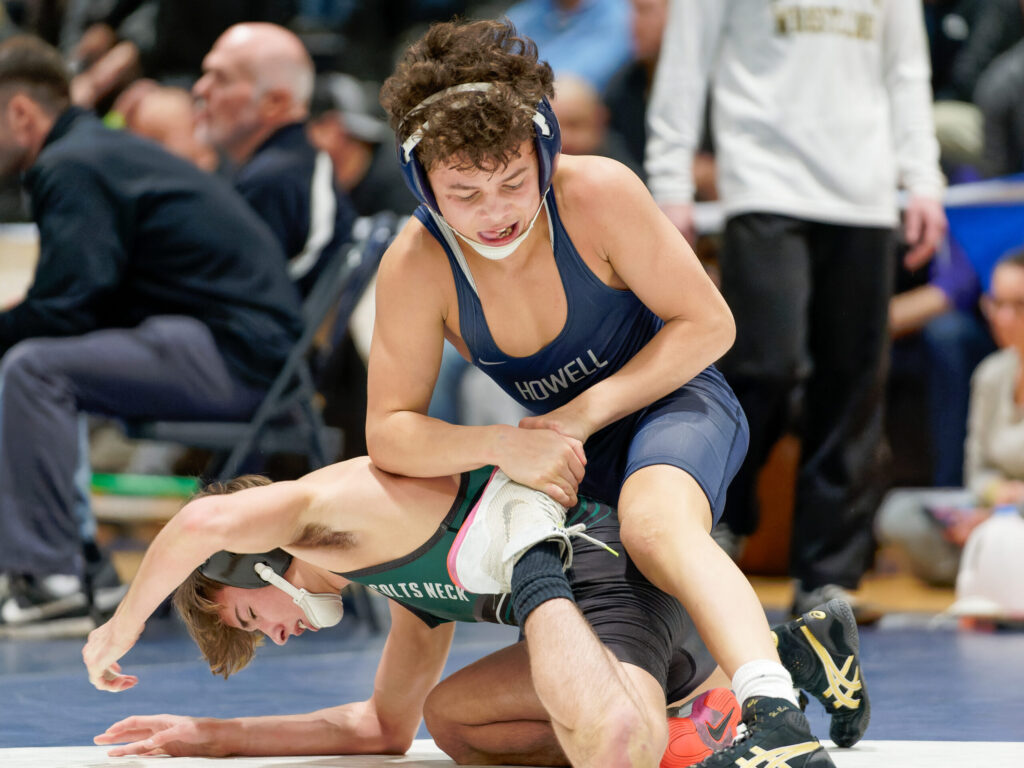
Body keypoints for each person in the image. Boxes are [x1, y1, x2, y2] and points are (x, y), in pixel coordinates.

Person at [366, 19, 862, 765]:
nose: (495, 212)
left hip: (675, 403)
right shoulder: (416, 262)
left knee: (656, 524)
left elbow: (709, 325)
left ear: (543, 151)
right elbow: (391, 431)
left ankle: (777, 722)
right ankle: (788, 659)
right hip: (570, 456)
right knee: (476, 719)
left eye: (510, 180)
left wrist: (577, 413)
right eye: (463, 193)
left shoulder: (597, 192)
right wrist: (503, 442)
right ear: (422, 184)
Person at [83, 459, 863, 766]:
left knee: (617, 738)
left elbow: (197, 523)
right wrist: (207, 737)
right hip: (600, 633)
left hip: (616, 581)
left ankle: (700, 718)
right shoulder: (394, 582)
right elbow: (384, 730)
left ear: (245, 558)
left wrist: (119, 629)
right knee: (454, 720)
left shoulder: (343, 501)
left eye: (250, 618)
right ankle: (791, 655)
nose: (276, 634)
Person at [646, 0, 949, 617]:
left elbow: (906, 72)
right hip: (763, 186)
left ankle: (827, 575)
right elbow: (685, 62)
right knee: (763, 364)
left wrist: (923, 180)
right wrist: (670, 180)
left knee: (853, 380)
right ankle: (722, 516)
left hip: (864, 196)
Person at [0, 35, 303, 629]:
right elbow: (87, 298)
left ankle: (51, 580)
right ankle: (75, 566)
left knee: (32, 368)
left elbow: (69, 305)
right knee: (38, 364)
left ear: (20, 113)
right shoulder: (96, 152)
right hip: (240, 347)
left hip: (238, 358)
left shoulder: (71, 164)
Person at [877, 248, 1024, 586]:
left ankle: (987, 566)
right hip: (994, 508)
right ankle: (994, 568)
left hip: (1014, 513)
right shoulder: (991, 374)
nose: (1004, 319)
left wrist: (1005, 512)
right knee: (899, 512)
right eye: (996, 304)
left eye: (1019, 306)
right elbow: (976, 470)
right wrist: (993, 498)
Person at [193, 22, 355, 296]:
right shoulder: (291, 162)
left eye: (221, 78)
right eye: (205, 73)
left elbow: (227, 299)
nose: (201, 89)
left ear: (276, 103)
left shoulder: (273, 180)